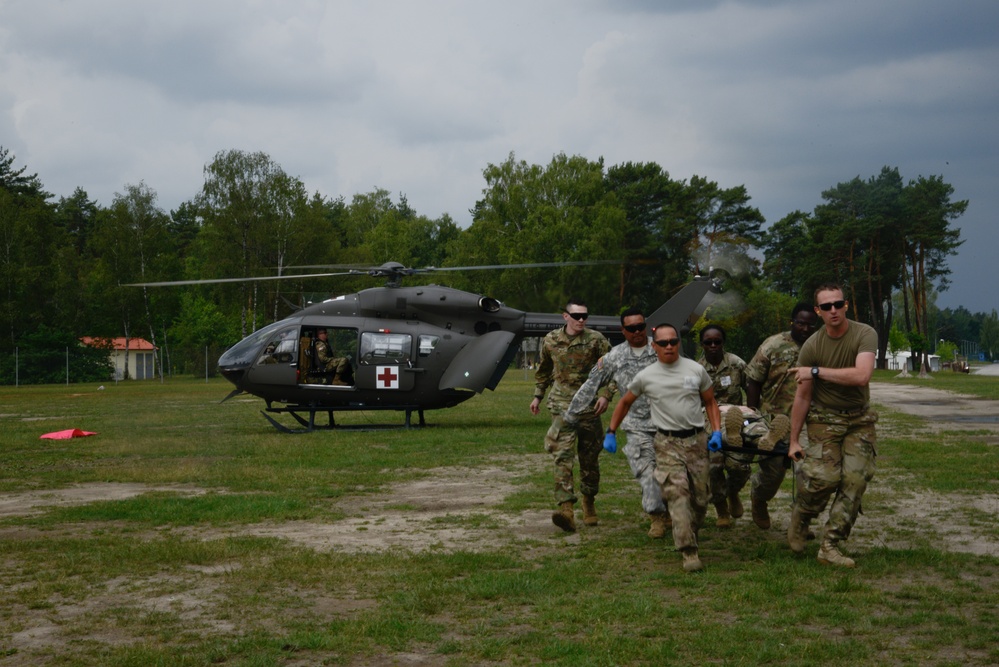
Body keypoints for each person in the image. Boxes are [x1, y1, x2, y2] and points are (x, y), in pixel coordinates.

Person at [606, 323, 722, 573]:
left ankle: (692, 531)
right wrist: (611, 432)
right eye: (663, 343)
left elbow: (710, 402)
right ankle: (688, 551)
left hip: (697, 441)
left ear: (679, 343)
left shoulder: (696, 369)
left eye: (673, 341)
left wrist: (717, 432)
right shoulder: (646, 376)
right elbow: (625, 402)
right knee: (677, 495)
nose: (669, 346)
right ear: (653, 345)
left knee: (700, 500)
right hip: (667, 443)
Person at [787, 284, 878, 568]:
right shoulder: (812, 346)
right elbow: (802, 396)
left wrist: (815, 371)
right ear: (818, 311)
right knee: (824, 478)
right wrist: (793, 440)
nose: (833, 310)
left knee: (855, 480)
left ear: (846, 305)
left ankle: (830, 545)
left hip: (859, 419)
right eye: (826, 307)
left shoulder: (864, 334)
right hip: (824, 418)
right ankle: (802, 515)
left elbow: (862, 376)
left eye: (837, 304)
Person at [564, 307, 668, 538]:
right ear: (623, 331)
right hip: (638, 427)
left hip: (669, 424)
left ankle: (670, 511)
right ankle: (657, 518)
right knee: (647, 475)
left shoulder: (664, 347)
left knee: (671, 474)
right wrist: (571, 413)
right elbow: (591, 385)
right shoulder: (614, 357)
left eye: (641, 327)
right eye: (631, 328)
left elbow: (689, 376)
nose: (637, 332)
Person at [531, 298, 612, 532]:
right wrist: (538, 395)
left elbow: (612, 369)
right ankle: (566, 509)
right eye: (576, 316)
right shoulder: (551, 340)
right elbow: (544, 370)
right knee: (562, 456)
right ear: (565, 316)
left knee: (589, 460)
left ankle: (589, 501)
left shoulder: (596, 340)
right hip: (560, 406)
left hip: (588, 407)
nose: (581, 320)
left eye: (584, 316)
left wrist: (606, 395)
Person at [744, 302, 818, 530]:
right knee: (773, 474)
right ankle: (759, 499)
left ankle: (801, 523)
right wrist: (752, 415)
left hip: (809, 421)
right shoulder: (773, 345)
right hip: (774, 421)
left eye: (810, 324)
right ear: (792, 322)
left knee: (808, 475)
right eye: (800, 323)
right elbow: (754, 380)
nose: (805, 328)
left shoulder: (820, 346)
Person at [696, 324, 749, 528]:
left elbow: (751, 387)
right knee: (714, 466)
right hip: (708, 423)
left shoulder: (737, 364)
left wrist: (753, 411)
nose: (713, 345)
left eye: (717, 341)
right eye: (708, 342)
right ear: (702, 344)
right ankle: (721, 509)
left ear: (723, 343)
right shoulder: (696, 369)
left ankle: (733, 492)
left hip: (736, 420)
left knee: (739, 465)